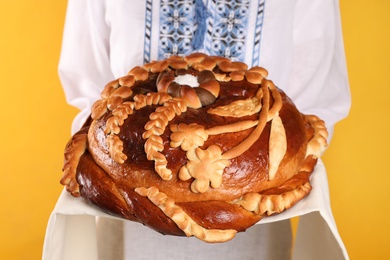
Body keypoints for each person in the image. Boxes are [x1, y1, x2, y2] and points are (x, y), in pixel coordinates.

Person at [56, 0, 350, 259]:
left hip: (260, 225)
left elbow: (312, 104)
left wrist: (242, 188)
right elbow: (90, 95)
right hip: (124, 219)